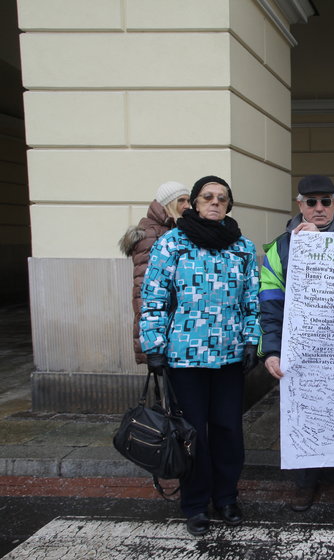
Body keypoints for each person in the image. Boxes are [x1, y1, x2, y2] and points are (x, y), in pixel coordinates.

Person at [140, 176, 260, 537]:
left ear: (228, 205)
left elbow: (251, 300)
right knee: (192, 435)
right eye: (207, 197)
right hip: (184, 357)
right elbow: (154, 299)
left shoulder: (242, 248)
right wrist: (154, 346)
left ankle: (226, 497)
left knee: (227, 430)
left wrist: (251, 341)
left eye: (222, 198)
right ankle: (194, 503)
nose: (215, 202)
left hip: (228, 356)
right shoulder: (170, 245)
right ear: (192, 203)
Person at [259, 174, 334, 512]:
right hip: (304, 351)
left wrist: (321, 244)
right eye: (312, 202)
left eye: (327, 201)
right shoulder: (280, 246)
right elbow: (270, 301)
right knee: (305, 415)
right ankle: (305, 482)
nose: (320, 208)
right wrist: (272, 350)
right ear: (300, 206)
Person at [119, 181, 190, 365]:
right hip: (162, 326)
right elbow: (144, 289)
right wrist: (152, 342)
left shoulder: (177, 228)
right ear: (168, 204)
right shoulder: (151, 234)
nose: (187, 206)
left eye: (188, 200)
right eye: (181, 200)